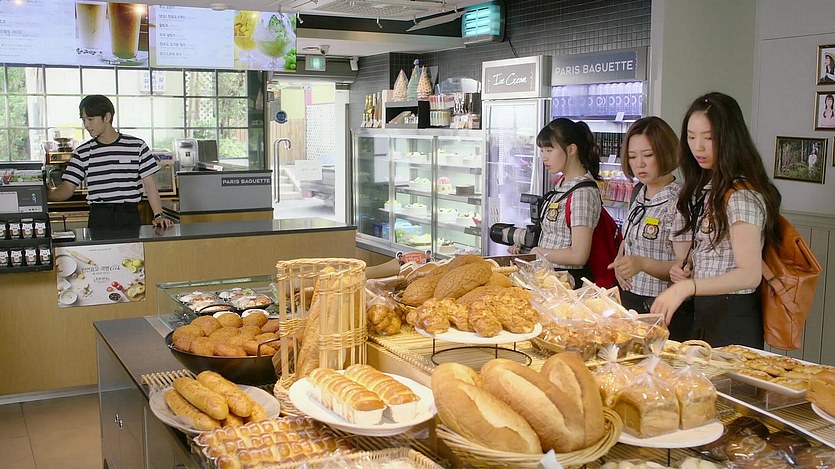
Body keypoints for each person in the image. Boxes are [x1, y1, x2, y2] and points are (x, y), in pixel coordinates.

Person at [650, 92, 782, 349]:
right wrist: (688, 269)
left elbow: (749, 275)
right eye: (691, 137)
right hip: (707, 311)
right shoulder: (709, 187)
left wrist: (687, 287)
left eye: (709, 138)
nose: (698, 147)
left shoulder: (741, 195)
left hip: (732, 316)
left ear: (729, 138)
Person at [48, 95, 173, 231]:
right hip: (99, 217)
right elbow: (67, 189)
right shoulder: (83, 152)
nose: (86, 125)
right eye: (83, 120)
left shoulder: (137, 146)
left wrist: (158, 215)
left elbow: (150, 185)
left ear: (107, 117)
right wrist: (42, 195)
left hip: (129, 215)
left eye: (90, 119)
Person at [508, 118, 602, 287]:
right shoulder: (563, 185)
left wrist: (538, 252)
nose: (544, 157)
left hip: (568, 282)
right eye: (542, 151)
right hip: (551, 278)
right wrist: (528, 252)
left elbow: (579, 255)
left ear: (571, 149)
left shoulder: (582, 193)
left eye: (549, 150)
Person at [607, 117, 681, 317]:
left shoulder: (679, 201)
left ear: (666, 153)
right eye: (632, 156)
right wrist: (620, 260)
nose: (639, 164)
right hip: (629, 296)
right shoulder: (638, 192)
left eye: (648, 155)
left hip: (660, 305)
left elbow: (684, 267)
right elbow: (630, 238)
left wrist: (642, 264)